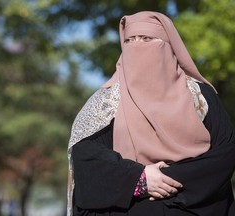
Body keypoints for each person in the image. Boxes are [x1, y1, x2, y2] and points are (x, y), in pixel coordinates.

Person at [67, 11, 235, 216]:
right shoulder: (106, 102)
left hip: (193, 208)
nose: (138, 45)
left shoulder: (200, 96)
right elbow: (87, 158)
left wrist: (166, 180)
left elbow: (225, 153)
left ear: (168, 44)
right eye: (130, 40)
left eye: (147, 38)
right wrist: (140, 179)